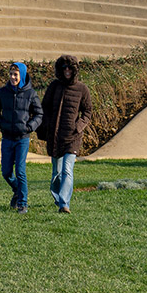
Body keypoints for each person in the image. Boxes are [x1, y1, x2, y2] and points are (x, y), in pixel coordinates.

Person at [39, 55, 93, 213]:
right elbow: (45, 107)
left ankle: (64, 204)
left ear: (75, 69)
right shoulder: (54, 86)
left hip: (73, 137)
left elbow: (88, 111)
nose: (67, 70)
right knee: (56, 172)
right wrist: (47, 125)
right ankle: (58, 198)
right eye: (64, 68)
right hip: (55, 136)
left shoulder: (82, 89)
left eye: (70, 68)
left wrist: (78, 126)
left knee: (67, 169)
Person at [0, 62, 43, 213]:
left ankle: (22, 203)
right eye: (11, 74)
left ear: (22, 75)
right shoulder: (2, 92)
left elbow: (39, 114)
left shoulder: (31, 94)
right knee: (6, 172)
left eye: (16, 75)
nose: (13, 77)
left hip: (22, 138)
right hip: (7, 137)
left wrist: (29, 127)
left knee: (20, 170)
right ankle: (18, 190)